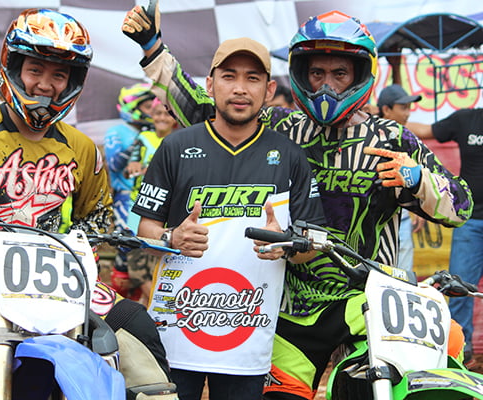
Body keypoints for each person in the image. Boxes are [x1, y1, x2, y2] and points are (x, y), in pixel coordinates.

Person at [122, 4, 473, 399]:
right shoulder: (281, 127)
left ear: (360, 75)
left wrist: (420, 180)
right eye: (317, 73)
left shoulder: (392, 139)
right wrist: (154, 51)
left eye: (339, 74)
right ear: (301, 74)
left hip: (367, 304)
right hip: (289, 307)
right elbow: (206, 109)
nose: (327, 86)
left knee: (385, 384)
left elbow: (461, 207)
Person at [0, 9, 173, 400]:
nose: (45, 84)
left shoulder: (81, 148)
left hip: (53, 280)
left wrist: (80, 248)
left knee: (136, 324)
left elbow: (97, 217)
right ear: (13, 68)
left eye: (59, 74)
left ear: (73, 81)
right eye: (35, 70)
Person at [129, 35, 326, 400]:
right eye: (229, 76)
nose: (240, 88)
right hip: (175, 332)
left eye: (252, 78)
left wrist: (287, 245)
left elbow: (313, 243)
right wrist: (172, 238)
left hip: (248, 339)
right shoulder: (175, 147)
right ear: (210, 84)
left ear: (268, 91)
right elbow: (145, 231)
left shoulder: (289, 155)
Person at [408, 107, 483, 368]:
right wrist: (386, 117)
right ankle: (460, 352)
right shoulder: (466, 119)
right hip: (471, 221)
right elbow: (425, 130)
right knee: (460, 286)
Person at [104, 83, 156, 299]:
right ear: (133, 107)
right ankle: (117, 305)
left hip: (150, 199)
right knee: (127, 251)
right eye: (147, 106)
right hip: (125, 199)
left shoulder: (154, 133)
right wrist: (139, 143)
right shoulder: (117, 132)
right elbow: (115, 163)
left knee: (148, 254)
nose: (152, 111)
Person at [125, 97, 179, 304]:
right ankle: (154, 304)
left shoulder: (179, 141)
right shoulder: (143, 137)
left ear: (174, 119)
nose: (162, 118)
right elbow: (131, 165)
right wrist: (134, 167)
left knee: (160, 260)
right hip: (138, 207)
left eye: (167, 114)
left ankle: (159, 304)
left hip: (167, 210)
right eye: (157, 113)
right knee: (137, 264)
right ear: (151, 116)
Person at [376, 84, 426, 271]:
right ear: (386, 110)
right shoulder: (367, 138)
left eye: (409, 108)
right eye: (403, 108)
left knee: (403, 278)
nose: (407, 113)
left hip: (403, 219)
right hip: (373, 221)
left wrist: (418, 205)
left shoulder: (406, 139)